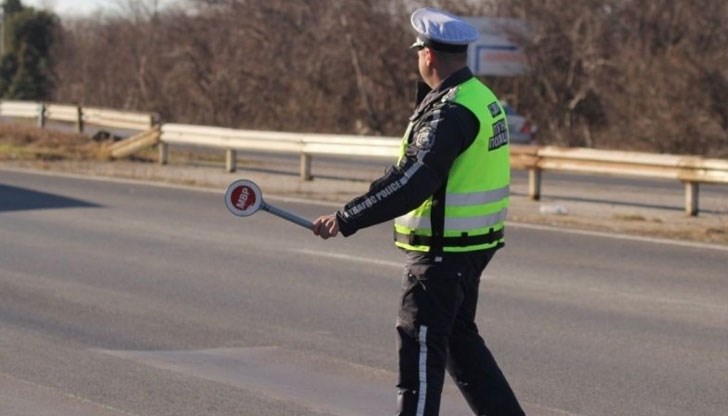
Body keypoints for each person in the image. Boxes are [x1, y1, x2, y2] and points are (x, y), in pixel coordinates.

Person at [312, 7, 525, 416]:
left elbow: (411, 182)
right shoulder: (481, 97)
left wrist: (345, 218)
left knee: (421, 353)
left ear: (427, 54)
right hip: (470, 247)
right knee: (461, 344)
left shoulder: (450, 111)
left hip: (441, 255)